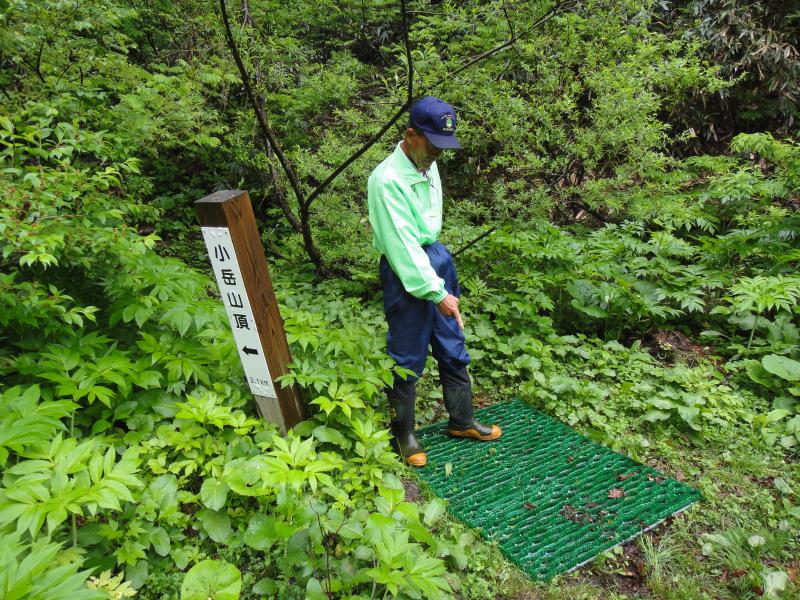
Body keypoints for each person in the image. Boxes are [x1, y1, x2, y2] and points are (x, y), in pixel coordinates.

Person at [367, 96, 503, 467]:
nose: (439, 154)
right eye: (432, 145)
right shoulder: (387, 180)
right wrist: (436, 292)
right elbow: (402, 246)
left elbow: (426, 229)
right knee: (407, 352)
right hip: (404, 268)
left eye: (444, 146)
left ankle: (461, 421)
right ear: (410, 135)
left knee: (451, 339)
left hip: (436, 258)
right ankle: (404, 434)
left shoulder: (427, 162)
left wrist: (441, 280)